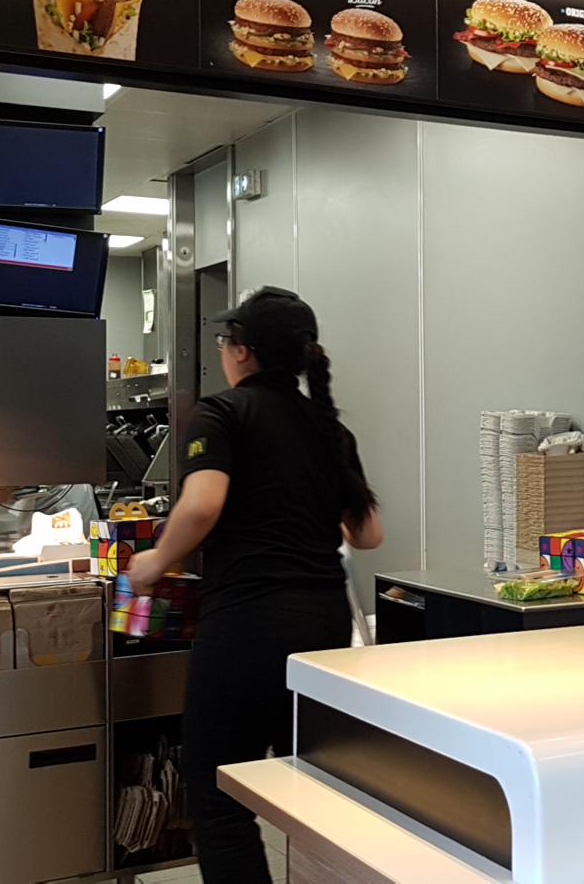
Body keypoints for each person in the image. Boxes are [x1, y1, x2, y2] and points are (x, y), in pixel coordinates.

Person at [126, 287, 383, 883]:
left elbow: (202, 505)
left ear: (242, 351)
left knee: (220, 797)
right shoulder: (330, 428)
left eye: (225, 341)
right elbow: (368, 534)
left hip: (247, 624)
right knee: (308, 791)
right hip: (323, 631)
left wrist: (154, 561)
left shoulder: (223, 413)